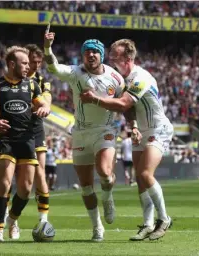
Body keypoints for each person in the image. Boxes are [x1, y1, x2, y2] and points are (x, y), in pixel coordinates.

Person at [80, 39, 173, 241]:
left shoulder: (141, 77)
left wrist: (94, 99)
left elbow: (123, 104)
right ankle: (148, 225)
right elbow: (130, 110)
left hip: (158, 128)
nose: (111, 58)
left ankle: (164, 219)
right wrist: (134, 126)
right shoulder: (124, 79)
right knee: (140, 180)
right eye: (111, 54)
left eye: (115, 55)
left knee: (145, 173)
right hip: (142, 130)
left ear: (128, 58)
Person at [44, 26, 125, 242]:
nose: (91, 54)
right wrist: (47, 48)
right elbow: (53, 67)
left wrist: (133, 126)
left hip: (105, 131)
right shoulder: (75, 73)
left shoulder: (116, 79)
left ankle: (107, 197)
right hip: (80, 133)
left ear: (101, 55)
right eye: (87, 51)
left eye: (95, 51)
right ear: (82, 55)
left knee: (105, 173)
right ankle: (97, 227)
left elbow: (125, 104)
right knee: (86, 186)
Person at [0, 46, 50, 241]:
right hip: (6, 140)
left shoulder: (32, 85)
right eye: (24, 63)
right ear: (11, 64)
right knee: (4, 183)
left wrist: (44, 108)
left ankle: (13, 219)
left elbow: (42, 103)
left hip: (27, 140)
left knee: (25, 189)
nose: (28, 66)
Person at [25, 44, 52, 223]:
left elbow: (47, 96)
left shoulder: (42, 81)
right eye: (33, 61)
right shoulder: (13, 79)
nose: (36, 65)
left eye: (39, 62)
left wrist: (46, 106)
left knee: (40, 172)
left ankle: (43, 218)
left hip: (35, 127)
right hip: (16, 129)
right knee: (19, 177)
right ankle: (11, 217)